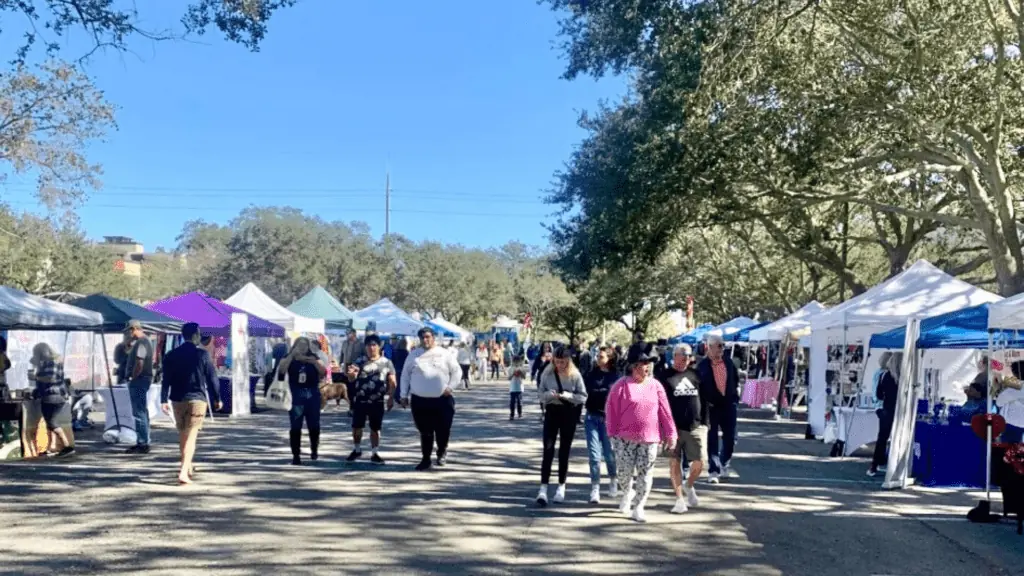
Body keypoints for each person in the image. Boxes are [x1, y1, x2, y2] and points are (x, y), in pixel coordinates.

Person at [605, 344, 677, 522]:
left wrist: (671, 433)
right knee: (624, 473)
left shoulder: (656, 386)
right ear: (634, 366)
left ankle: (639, 506)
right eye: (643, 364)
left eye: (649, 364)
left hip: (650, 439)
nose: (647, 368)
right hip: (624, 439)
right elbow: (611, 410)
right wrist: (612, 434)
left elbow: (665, 411)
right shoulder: (621, 386)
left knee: (646, 474)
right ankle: (627, 492)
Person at [160, 323, 223, 485]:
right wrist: (217, 398)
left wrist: (162, 399)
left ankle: (186, 465)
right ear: (195, 335)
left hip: (177, 399)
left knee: (183, 434)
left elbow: (165, 379)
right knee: (192, 436)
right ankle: (183, 471)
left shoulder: (171, 355)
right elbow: (212, 378)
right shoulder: (202, 355)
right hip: (197, 399)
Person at [400, 326, 461, 471]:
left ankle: (441, 452)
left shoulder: (444, 353)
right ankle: (426, 459)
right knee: (425, 431)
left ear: (433, 337)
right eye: (422, 337)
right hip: (420, 400)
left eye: (428, 337)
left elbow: (457, 372)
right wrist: (403, 395)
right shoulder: (413, 355)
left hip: (442, 399)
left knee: (443, 429)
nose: (425, 340)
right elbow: (405, 376)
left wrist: (450, 387)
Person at [658, 344, 709, 514]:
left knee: (700, 462)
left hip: (695, 426)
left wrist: (706, 423)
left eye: (689, 355)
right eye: (684, 355)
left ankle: (689, 485)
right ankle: (679, 499)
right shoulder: (664, 376)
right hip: (672, 428)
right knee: (674, 463)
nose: (687, 358)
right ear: (675, 356)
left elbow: (704, 399)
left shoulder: (695, 374)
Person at [534, 346, 587, 506]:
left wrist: (569, 396)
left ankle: (561, 486)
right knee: (548, 449)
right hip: (552, 410)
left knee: (564, 450)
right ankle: (543, 488)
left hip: (568, 412)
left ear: (568, 361)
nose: (560, 365)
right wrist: (549, 395)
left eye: (563, 362)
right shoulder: (547, 373)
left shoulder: (575, 375)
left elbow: (583, 396)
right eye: (557, 362)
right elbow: (540, 394)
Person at [344, 334, 396, 464]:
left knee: (375, 428)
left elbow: (392, 381)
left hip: (377, 400)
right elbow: (351, 378)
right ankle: (357, 450)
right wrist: (351, 375)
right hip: (360, 400)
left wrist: (391, 398)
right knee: (356, 427)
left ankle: (375, 453)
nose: (371, 348)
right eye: (368, 345)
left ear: (379, 346)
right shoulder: (359, 361)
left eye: (374, 345)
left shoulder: (386, 362)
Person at [696, 333, 740, 483]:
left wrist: (734, 397)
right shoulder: (702, 367)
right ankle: (713, 470)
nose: (722, 349)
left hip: (728, 405)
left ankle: (724, 462)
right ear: (709, 347)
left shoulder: (728, 362)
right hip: (711, 407)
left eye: (723, 346)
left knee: (730, 438)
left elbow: (736, 379)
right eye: (719, 346)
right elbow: (698, 388)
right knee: (712, 439)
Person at [278, 337, 327, 465]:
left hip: (312, 395)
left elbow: (323, 372)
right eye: (299, 344)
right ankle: (296, 455)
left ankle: (314, 449)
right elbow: (281, 370)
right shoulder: (289, 356)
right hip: (296, 395)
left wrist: (314, 362)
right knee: (295, 426)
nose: (302, 347)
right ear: (294, 346)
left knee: (314, 425)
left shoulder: (314, 357)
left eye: (305, 345)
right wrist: (291, 356)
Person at [583, 346, 620, 504]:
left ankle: (613, 479)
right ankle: (595, 487)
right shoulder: (590, 375)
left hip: (609, 419)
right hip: (592, 417)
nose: (598, 359)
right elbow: (582, 392)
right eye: (597, 356)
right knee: (594, 454)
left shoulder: (616, 376)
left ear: (610, 359)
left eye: (602, 356)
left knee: (609, 454)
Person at [29, 343, 74, 457]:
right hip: (56, 395)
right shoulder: (54, 361)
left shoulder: (51, 362)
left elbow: (51, 378)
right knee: (51, 421)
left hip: (52, 395)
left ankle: (67, 446)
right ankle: (52, 446)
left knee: (51, 422)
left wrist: (36, 377)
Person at [123, 320, 155, 455]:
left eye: (129, 331)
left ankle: (142, 442)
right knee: (142, 411)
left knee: (139, 412)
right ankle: (144, 440)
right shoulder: (143, 342)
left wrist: (133, 377)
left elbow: (139, 362)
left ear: (135, 329)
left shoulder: (142, 342)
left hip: (139, 380)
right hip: (143, 380)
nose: (129, 334)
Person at [868, 353, 901, 476]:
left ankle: (874, 465)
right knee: (898, 438)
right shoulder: (902, 378)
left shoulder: (884, 376)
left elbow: (879, 395)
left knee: (882, 438)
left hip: (886, 409)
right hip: (899, 411)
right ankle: (895, 465)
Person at [341, 329, 365, 410]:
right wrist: (340, 363)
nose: (347, 335)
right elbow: (342, 355)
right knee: (349, 390)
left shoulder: (361, 344)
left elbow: (365, 356)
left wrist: (358, 363)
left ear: (354, 334)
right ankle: (351, 407)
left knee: (355, 389)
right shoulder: (344, 343)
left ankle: (356, 407)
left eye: (349, 333)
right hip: (346, 369)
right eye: (346, 333)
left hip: (356, 370)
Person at [508, 354, 527, 420]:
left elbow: (524, 377)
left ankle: (520, 413)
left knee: (519, 401)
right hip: (512, 388)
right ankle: (512, 414)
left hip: (519, 387)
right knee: (512, 402)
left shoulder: (522, 368)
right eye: (514, 361)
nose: (516, 363)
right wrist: (513, 373)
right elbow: (509, 378)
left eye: (517, 361)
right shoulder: (510, 368)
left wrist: (520, 373)